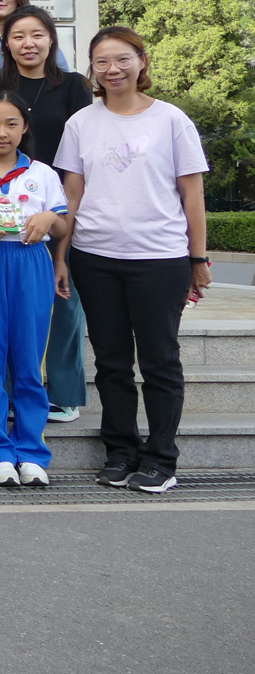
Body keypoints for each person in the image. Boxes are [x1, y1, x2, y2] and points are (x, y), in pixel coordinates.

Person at [55, 27, 210, 495]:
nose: (112, 70)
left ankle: (161, 458)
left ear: (142, 61)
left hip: (160, 258)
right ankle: (120, 452)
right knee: (111, 361)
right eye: (101, 62)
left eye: (122, 59)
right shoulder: (81, 122)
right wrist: (62, 257)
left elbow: (192, 194)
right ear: (91, 69)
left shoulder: (171, 120)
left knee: (160, 360)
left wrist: (198, 257)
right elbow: (72, 195)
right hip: (94, 257)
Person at [0, 93, 70, 488]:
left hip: (30, 262)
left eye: (11, 124)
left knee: (29, 360)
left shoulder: (42, 173)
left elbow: (63, 226)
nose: (1, 132)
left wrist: (48, 217)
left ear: (25, 128)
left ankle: (32, 451)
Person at [0, 5, 95, 422]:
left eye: (37, 35)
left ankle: (64, 392)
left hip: (62, 205)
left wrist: (68, 213)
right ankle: (17, 391)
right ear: (6, 44)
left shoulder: (73, 86)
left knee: (64, 298)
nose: (28, 43)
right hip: (9, 210)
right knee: (15, 307)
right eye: (18, 36)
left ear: (51, 39)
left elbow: (83, 156)